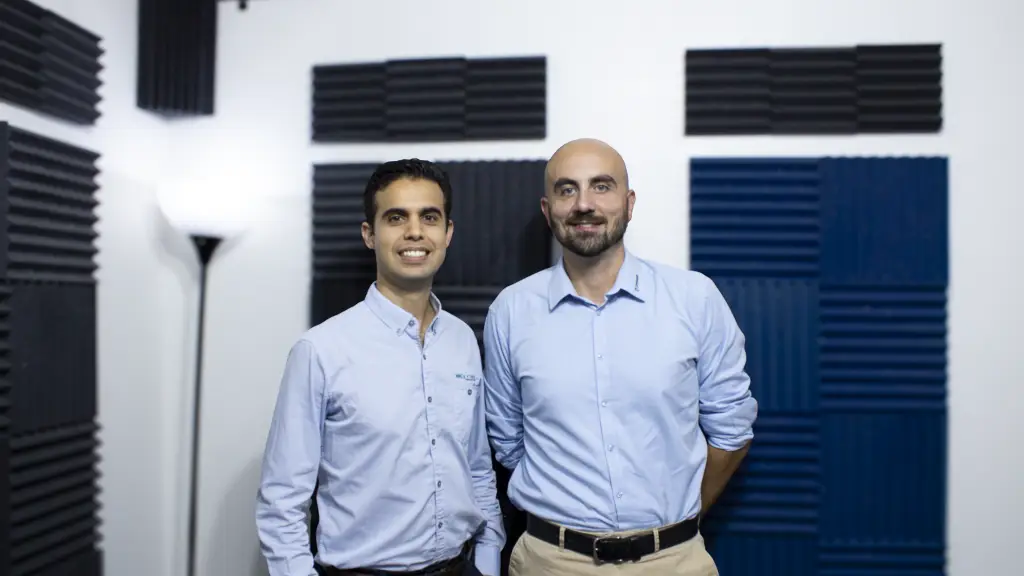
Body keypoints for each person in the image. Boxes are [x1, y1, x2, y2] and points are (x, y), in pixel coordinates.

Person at [482, 139, 757, 575]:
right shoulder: (511, 311)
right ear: (547, 209)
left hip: (674, 562)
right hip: (549, 562)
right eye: (567, 189)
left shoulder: (694, 298)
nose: (583, 204)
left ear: (629, 203)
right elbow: (510, 441)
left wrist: (675, 523)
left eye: (601, 186)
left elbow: (731, 430)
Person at [256, 159, 505, 576]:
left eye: (429, 217)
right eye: (396, 217)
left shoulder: (462, 340)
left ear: (447, 233)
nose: (415, 231)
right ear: (369, 234)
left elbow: (477, 467)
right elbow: (282, 500)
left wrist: (487, 560)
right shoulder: (321, 351)